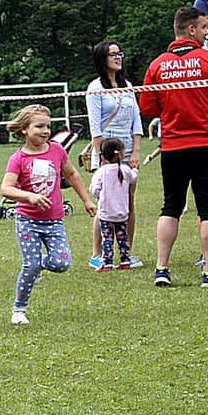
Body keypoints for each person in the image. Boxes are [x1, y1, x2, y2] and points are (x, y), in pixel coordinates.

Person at [138, 7, 208, 288]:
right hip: (207, 144)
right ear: (191, 30)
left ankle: (162, 268)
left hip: (173, 147)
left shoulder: (157, 65)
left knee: (170, 206)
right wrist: (207, 103)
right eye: (204, 29)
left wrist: (170, 108)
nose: (207, 34)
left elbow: (147, 107)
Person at [0, 104, 96, 325]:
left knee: (62, 263)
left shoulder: (57, 150)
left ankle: (38, 264)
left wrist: (86, 200)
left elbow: (72, 175)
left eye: (48, 127)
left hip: (54, 221)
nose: (45, 131)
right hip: (27, 220)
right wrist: (29, 197)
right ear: (24, 129)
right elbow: (6, 188)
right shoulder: (18, 158)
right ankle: (19, 309)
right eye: (39, 126)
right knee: (30, 265)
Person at [85, 41, 143, 270]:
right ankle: (98, 253)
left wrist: (135, 150)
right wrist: (102, 156)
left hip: (127, 149)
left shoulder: (127, 85)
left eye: (120, 53)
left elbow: (136, 119)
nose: (118, 57)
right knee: (106, 202)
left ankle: (126, 252)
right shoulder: (94, 88)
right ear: (103, 58)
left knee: (128, 200)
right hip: (107, 150)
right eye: (113, 54)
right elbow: (95, 125)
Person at [89, 138, 139, 271]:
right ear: (121, 154)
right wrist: (135, 170)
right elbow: (133, 178)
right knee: (123, 238)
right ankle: (125, 261)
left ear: (102, 155)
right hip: (122, 213)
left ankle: (107, 263)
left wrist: (99, 197)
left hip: (106, 213)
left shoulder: (101, 172)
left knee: (107, 239)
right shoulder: (125, 170)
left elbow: (94, 189)